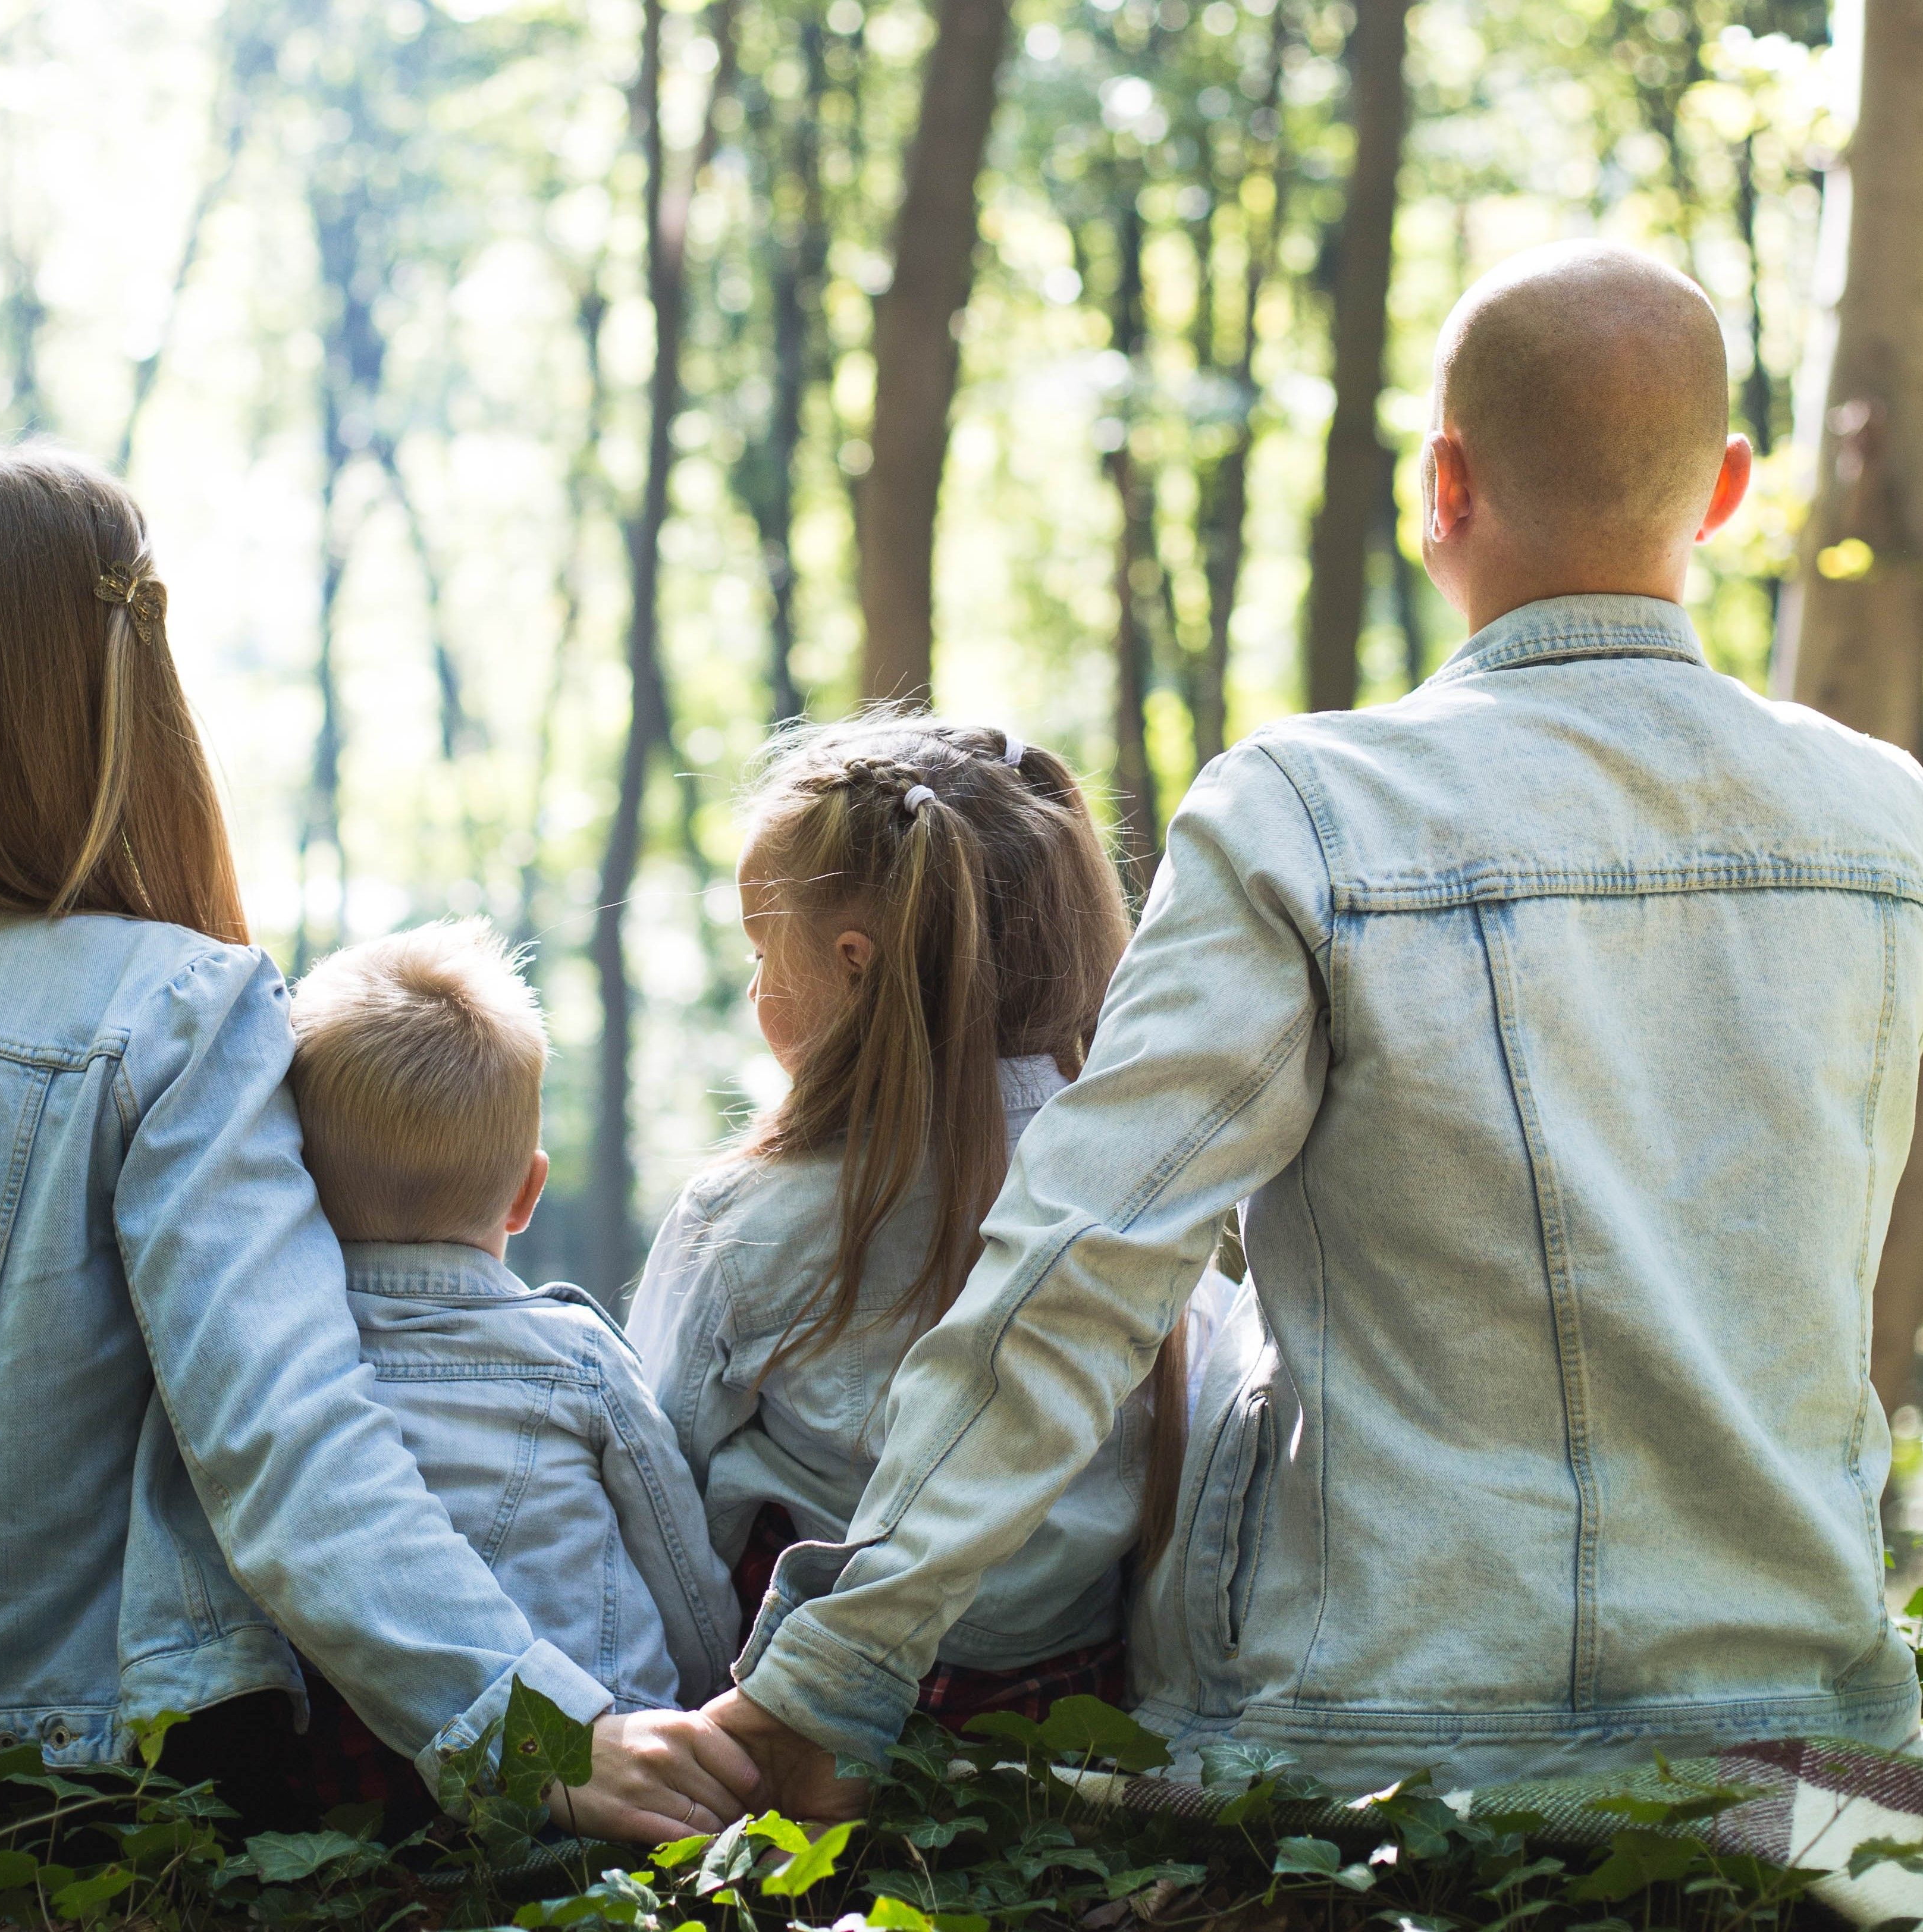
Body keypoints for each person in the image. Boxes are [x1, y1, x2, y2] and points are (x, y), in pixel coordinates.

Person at [703, 240, 1923, 1812]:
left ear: (1441, 484)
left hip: (1369, 1740)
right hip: (1807, 1752)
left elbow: (1081, 1263)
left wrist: (834, 1673)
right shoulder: (1887, 824)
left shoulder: (1309, 813)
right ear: (1727, 492)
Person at [0, 444, 755, 1842]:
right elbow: (285, 1437)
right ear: (127, 689)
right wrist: (535, 1728)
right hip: (103, 1797)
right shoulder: (173, 1008)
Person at [629, 716, 1235, 1733]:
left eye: (761, 949)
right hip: (1067, 1721)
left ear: (853, 965)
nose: (751, 988)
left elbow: (655, 1479)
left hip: (791, 1725)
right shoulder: (1149, 1206)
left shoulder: (745, 1221)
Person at [281, 919, 738, 1836]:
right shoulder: (574, 1356)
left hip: (364, 1805)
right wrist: (709, 1698)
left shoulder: (278, 1369)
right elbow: (683, 1575)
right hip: (602, 1790)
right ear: (528, 1194)